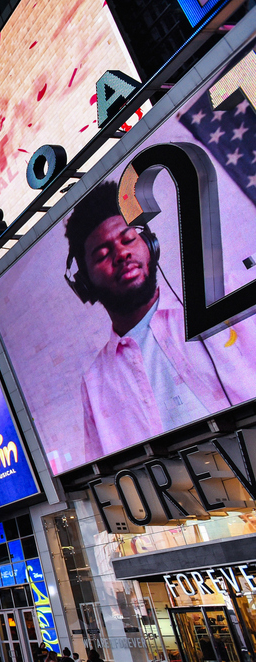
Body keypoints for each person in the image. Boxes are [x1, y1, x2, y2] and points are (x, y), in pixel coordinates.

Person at [63, 181, 256, 461]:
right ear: (85, 284)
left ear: (150, 245)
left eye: (128, 239)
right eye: (103, 255)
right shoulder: (95, 383)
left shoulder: (222, 298)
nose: (122, 255)